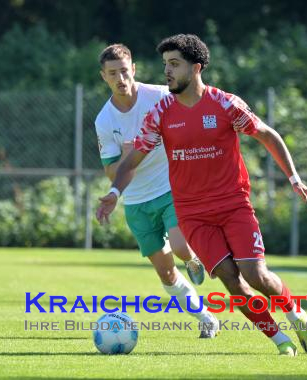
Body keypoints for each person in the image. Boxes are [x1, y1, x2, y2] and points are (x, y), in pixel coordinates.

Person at [97, 34, 307, 356]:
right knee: (231, 279)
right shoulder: (160, 112)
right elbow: (134, 157)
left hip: (233, 205)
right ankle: (280, 341)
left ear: (196, 68)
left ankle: (294, 314)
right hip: (192, 213)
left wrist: (295, 179)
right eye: (165, 65)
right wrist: (115, 190)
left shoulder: (225, 103)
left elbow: (267, 135)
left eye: (174, 64)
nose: (167, 72)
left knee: (255, 275)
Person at [94, 43, 219, 337]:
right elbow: (111, 171)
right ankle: (206, 319)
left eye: (124, 71)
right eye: (113, 73)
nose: (120, 78)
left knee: (180, 247)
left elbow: (191, 114)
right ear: (104, 77)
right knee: (165, 273)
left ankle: (193, 258)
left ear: (133, 69)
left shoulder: (160, 96)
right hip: (136, 202)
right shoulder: (104, 120)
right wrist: (128, 156)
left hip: (171, 188)